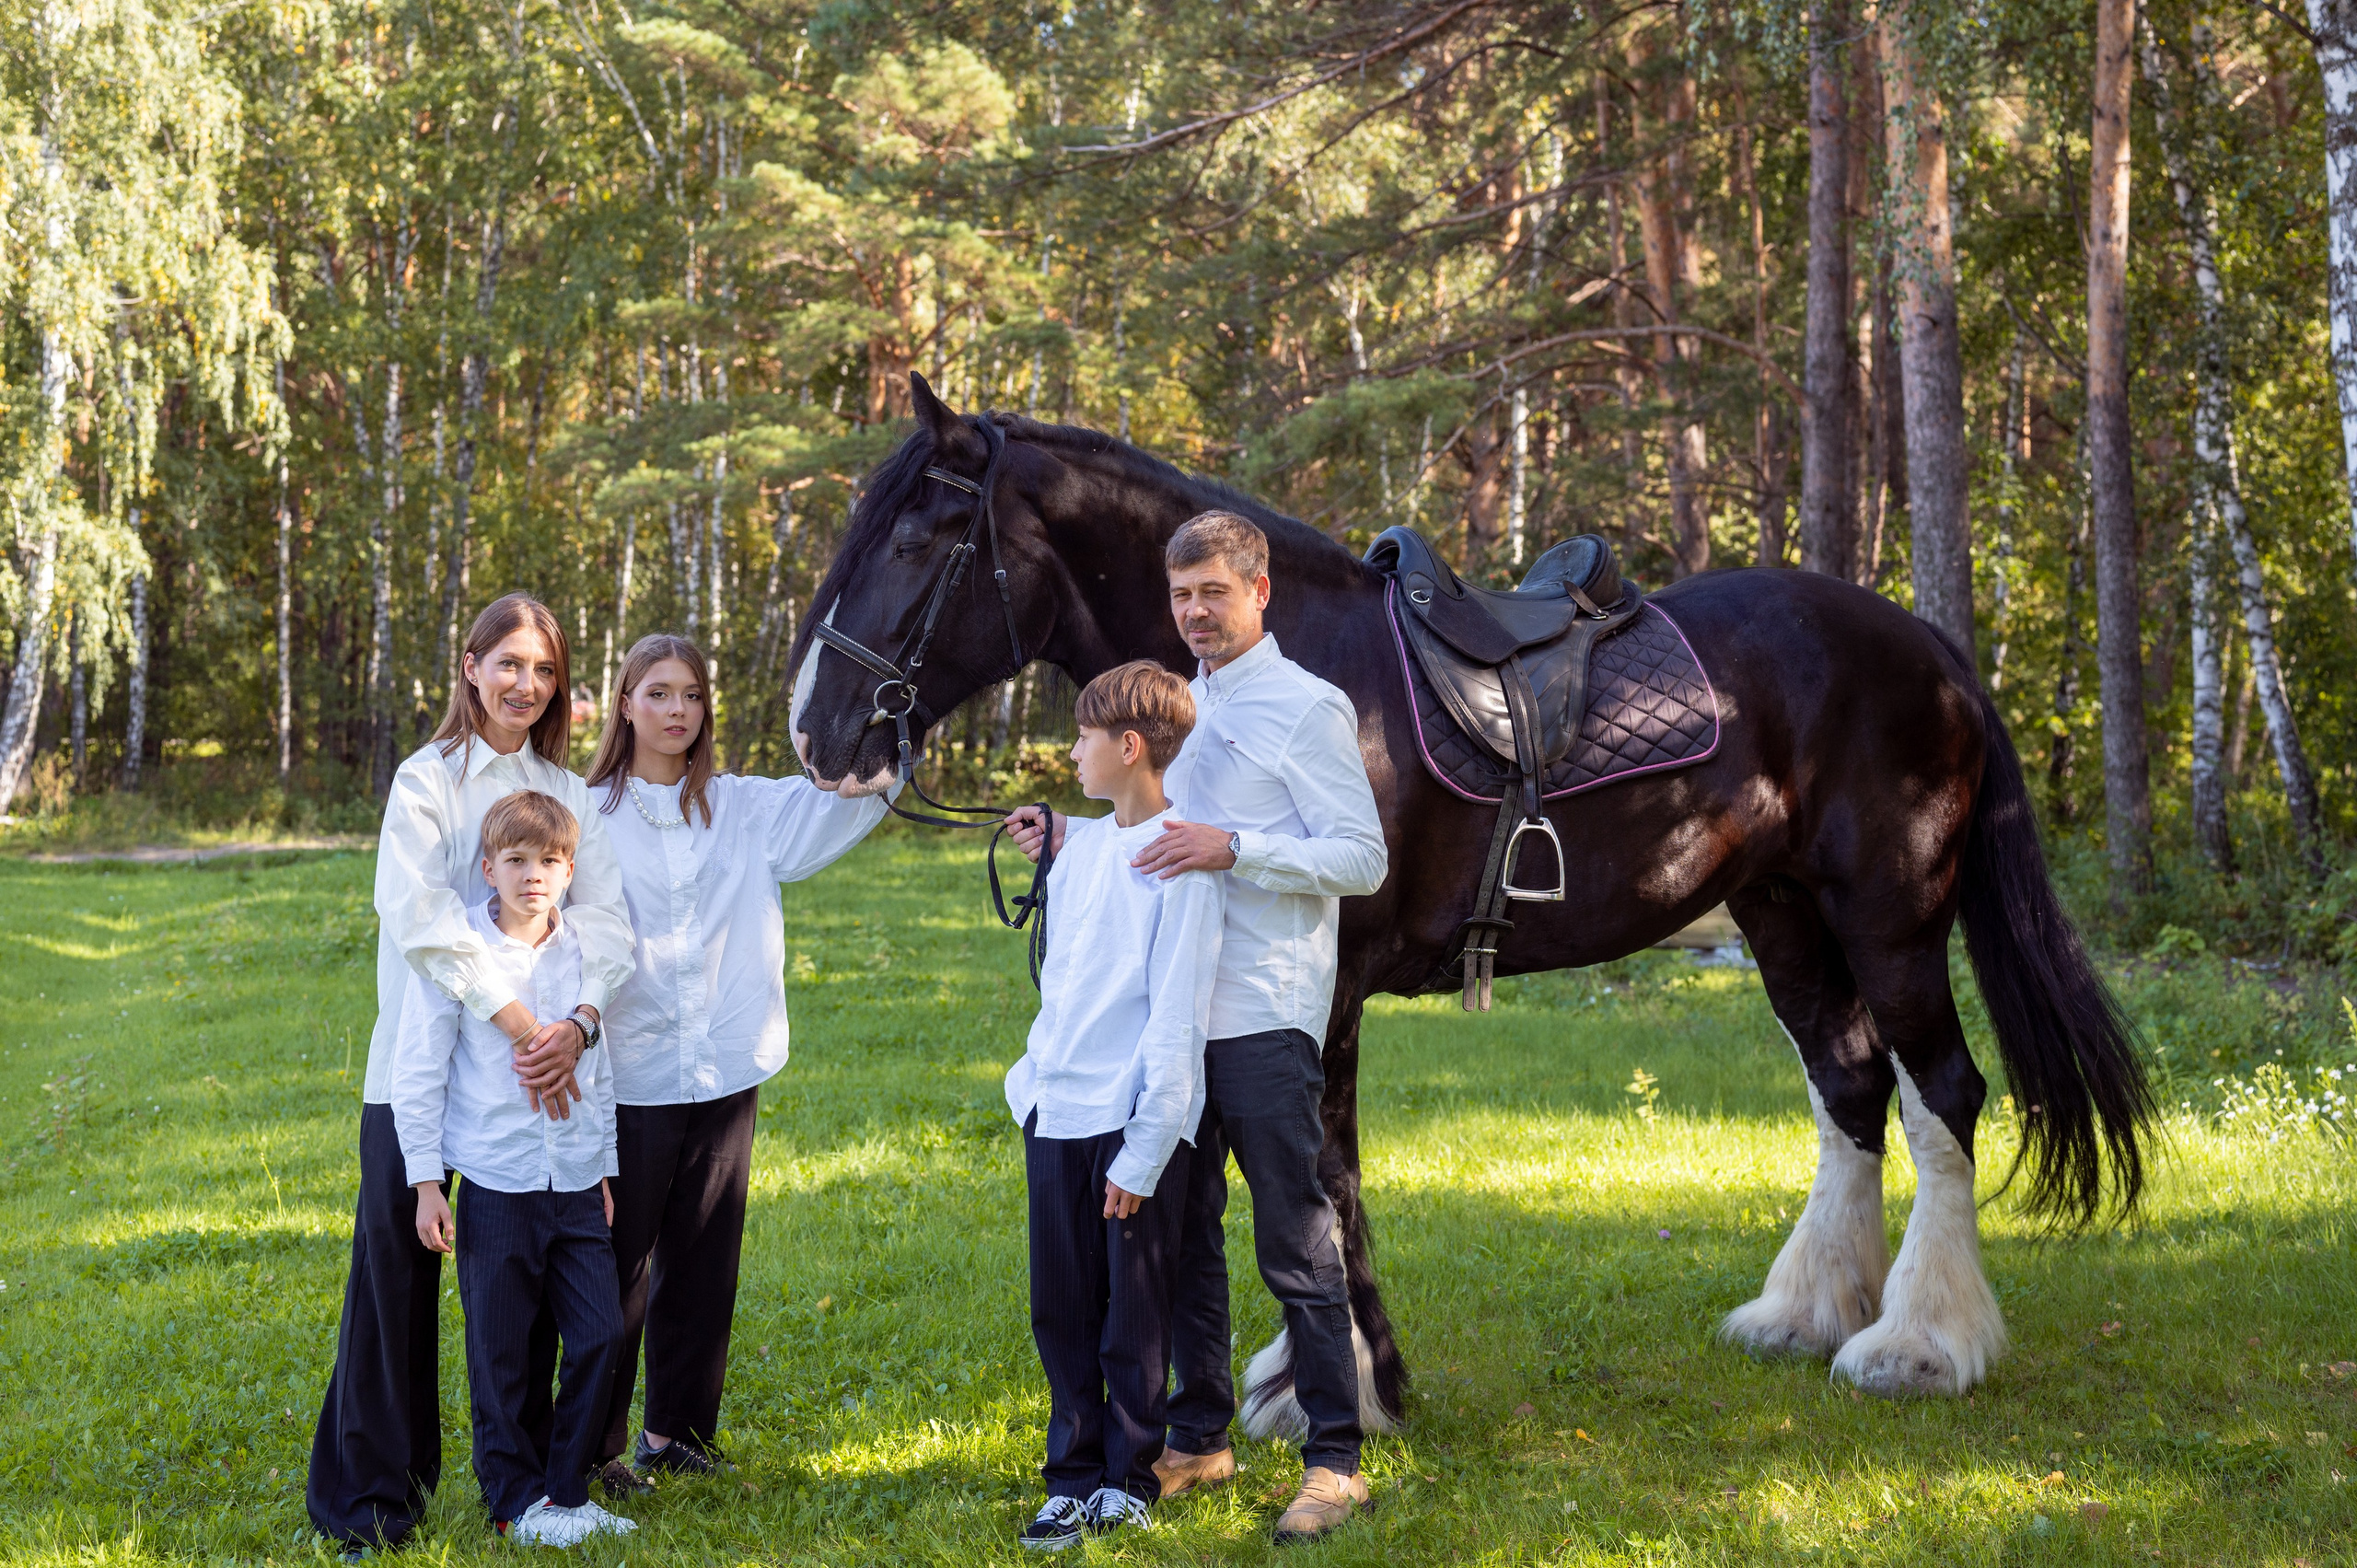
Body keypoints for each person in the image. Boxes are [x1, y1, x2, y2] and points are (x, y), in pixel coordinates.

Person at [1020, 511, 1388, 1542]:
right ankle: (1198, 1430)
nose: (1195, 611)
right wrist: (1069, 835)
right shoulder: (1180, 707)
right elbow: (1143, 817)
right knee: (1177, 1240)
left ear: (1259, 591)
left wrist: (1237, 847)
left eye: (1214, 592)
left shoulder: (1307, 708)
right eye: (1182, 595)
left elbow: (1361, 859)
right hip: (1162, 1020)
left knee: (1292, 1233)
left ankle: (1332, 1456)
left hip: (1263, 1007)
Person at [308, 593, 635, 1555]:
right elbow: (417, 916)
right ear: (470, 665)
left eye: (543, 670)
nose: (526, 685)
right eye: (509, 664)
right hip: (422, 1061)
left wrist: (574, 1023)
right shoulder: (429, 778)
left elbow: (607, 919)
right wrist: (520, 1020)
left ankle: (532, 1486)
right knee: (394, 1283)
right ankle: (370, 1492)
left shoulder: (564, 791)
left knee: (522, 1282)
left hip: (544, 1077)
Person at [580, 633, 891, 1494]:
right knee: (618, 1260)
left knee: (706, 1256)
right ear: (625, 703)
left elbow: (854, 802)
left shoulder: (746, 807)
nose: (677, 710)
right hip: (630, 1073)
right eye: (658, 693)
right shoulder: (586, 812)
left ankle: (676, 1432)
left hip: (723, 1066)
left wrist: (892, 727)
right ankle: (595, 1446)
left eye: (691, 694)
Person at [1001, 660, 1225, 1551]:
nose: (1071, 750)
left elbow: (1176, 1016)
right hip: (1054, 1112)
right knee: (1059, 1305)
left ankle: (1129, 1474)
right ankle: (1070, 1475)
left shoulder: (1183, 859)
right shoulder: (1084, 846)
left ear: (1128, 746)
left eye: (1083, 736)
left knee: (1131, 1313)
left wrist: (1144, 1150)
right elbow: (1071, 972)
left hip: (1131, 1125)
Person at [391, 790, 636, 1548]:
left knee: (600, 1336)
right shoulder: (462, 952)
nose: (535, 875)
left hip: (573, 1185)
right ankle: (512, 1502)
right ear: (489, 868)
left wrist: (603, 1169)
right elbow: (420, 1067)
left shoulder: (583, 950)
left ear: (570, 871)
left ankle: (566, 1494)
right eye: (519, 861)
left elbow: (601, 1075)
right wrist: (427, 1180)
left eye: (551, 861)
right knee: (500, 1355)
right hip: (496, 1186)